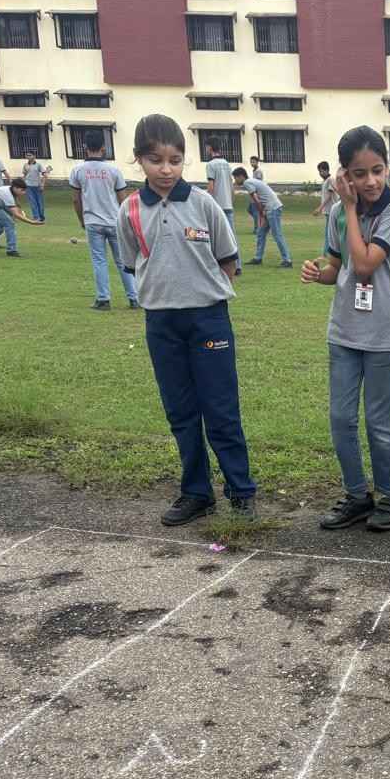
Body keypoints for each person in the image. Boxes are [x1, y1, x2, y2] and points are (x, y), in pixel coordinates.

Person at [117, 114, 257, 526]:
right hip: (161, 323)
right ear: (139, 159)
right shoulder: (129, 210)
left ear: (184, 160)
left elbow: (227, 261)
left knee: (221, 409)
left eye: (175, 161)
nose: (166, 170)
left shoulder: (203, 204)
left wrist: (202, 295)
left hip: (208, 319)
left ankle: (241, 492)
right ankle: (196, 492)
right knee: (180, 411)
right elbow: (133, 263)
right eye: (156, 160)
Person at [300, 127, 390, 533]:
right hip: (345, 331)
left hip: (385, 333)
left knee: (379, 424)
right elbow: (340, 267)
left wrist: (349, 208)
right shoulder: (337, 213)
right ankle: (356, 495)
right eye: (359, 173)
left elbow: (366, 264)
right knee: (340, 419)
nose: (370, 181)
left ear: (387, 168)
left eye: (377, 170)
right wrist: (318, 273)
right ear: (344, 174)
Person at [69, 127, 139, 311]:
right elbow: (123, 199)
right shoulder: (113, 170)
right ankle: (134, 298)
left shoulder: (77, 170)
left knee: (99, 260)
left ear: (85, 148)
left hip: (92, 221)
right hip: (115, 221)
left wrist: (82, 219)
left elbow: (76, 199)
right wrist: (127, 221)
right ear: (103, 148)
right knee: (123, 261)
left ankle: (103, 299)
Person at [233, 166, 292, 267]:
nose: (235, 180)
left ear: (241, 176)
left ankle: (287, 260)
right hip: (271, 208)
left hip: (272, 208)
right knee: (261, 233)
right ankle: (258, 258)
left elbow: (255, 199)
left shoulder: (247, 183)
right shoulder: (252, 181)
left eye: (236, 178)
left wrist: (261, 212)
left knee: (277, 234)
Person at [205, 140, 240, 274]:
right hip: (228, 205)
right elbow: (231, 186)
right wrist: (231, 201)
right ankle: (237, 266)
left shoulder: (210, 164)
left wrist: (207, 201)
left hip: (217, 206)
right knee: (231, 237)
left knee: (213, 237)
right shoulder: (226, 164)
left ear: (209, 148)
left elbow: (211, 186)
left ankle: (215, 265)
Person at [21, 151, 52, 223]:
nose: (28, 157)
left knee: (40, 202)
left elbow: (44, 174)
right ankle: (36, 217)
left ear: (34, 156)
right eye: (27, 155)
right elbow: (24, 175)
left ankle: (41, 217)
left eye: (30, 155)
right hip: (28, 186)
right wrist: (22, 184)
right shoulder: (25, 165)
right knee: (32, 202)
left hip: (37, 186)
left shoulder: (38, 165)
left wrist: (42, 184)